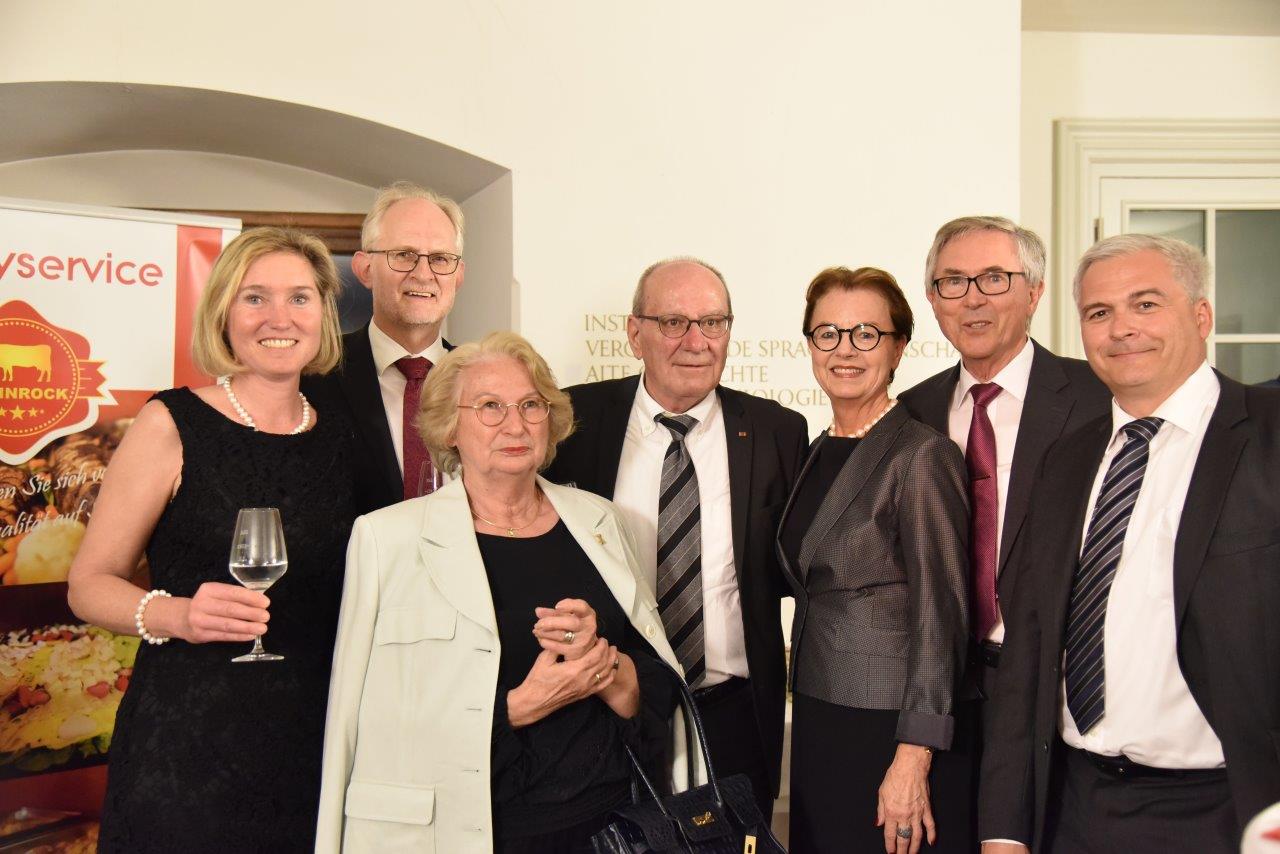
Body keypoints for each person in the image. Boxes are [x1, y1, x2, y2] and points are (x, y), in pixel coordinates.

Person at [316, 332, 696, 854]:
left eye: (530, 405)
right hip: (473, 833)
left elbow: (654, 687)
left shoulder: (600, 520)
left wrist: (604, 666)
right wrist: (520, 706)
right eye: (490, 407)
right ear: (450, 427)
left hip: (612, 828)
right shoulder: (387, 539)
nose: (515, 425)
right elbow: (366, 723)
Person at [979, 235, 1280, 853]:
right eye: (1099, 312)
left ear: (1201, 315)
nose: (1121, 329)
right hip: (1074, 809)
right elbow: (1028, 650)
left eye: (1146, 304)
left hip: (1228, 811)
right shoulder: (1065, 461)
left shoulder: (1270, 435)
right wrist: (1005, 830)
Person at [66, 227, 356, 853]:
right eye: (255, 298)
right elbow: (87, 585)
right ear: (224, 312)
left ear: (323, 315)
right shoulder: (170, 422)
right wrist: (179, 615)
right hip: (188, 749)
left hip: (317, 743)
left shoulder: (343, 434)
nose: (279, 317)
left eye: (299, 297)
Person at [544, 257, 808, 820]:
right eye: (673, 322)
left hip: (733, 715)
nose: (696, 341)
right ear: (634, 333)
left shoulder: (778, 431)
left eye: (712, 322)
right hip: (604, 704)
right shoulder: (573, 421)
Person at [780, 266, 969, 854]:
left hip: (886, 727)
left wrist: (914, 755)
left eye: (866, 334)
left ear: (898, 347)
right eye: (828, 333)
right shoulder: (816, 450)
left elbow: (942, 614)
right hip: (818, 714)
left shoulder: (921, 454)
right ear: (811, 344)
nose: (845, 350)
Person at [308, 180, 465, 510]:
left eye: (440, 258)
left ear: (458, 276)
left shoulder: (480, 381)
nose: (423, 274)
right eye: (404, 255)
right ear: (365, 269)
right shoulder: (312, 376)